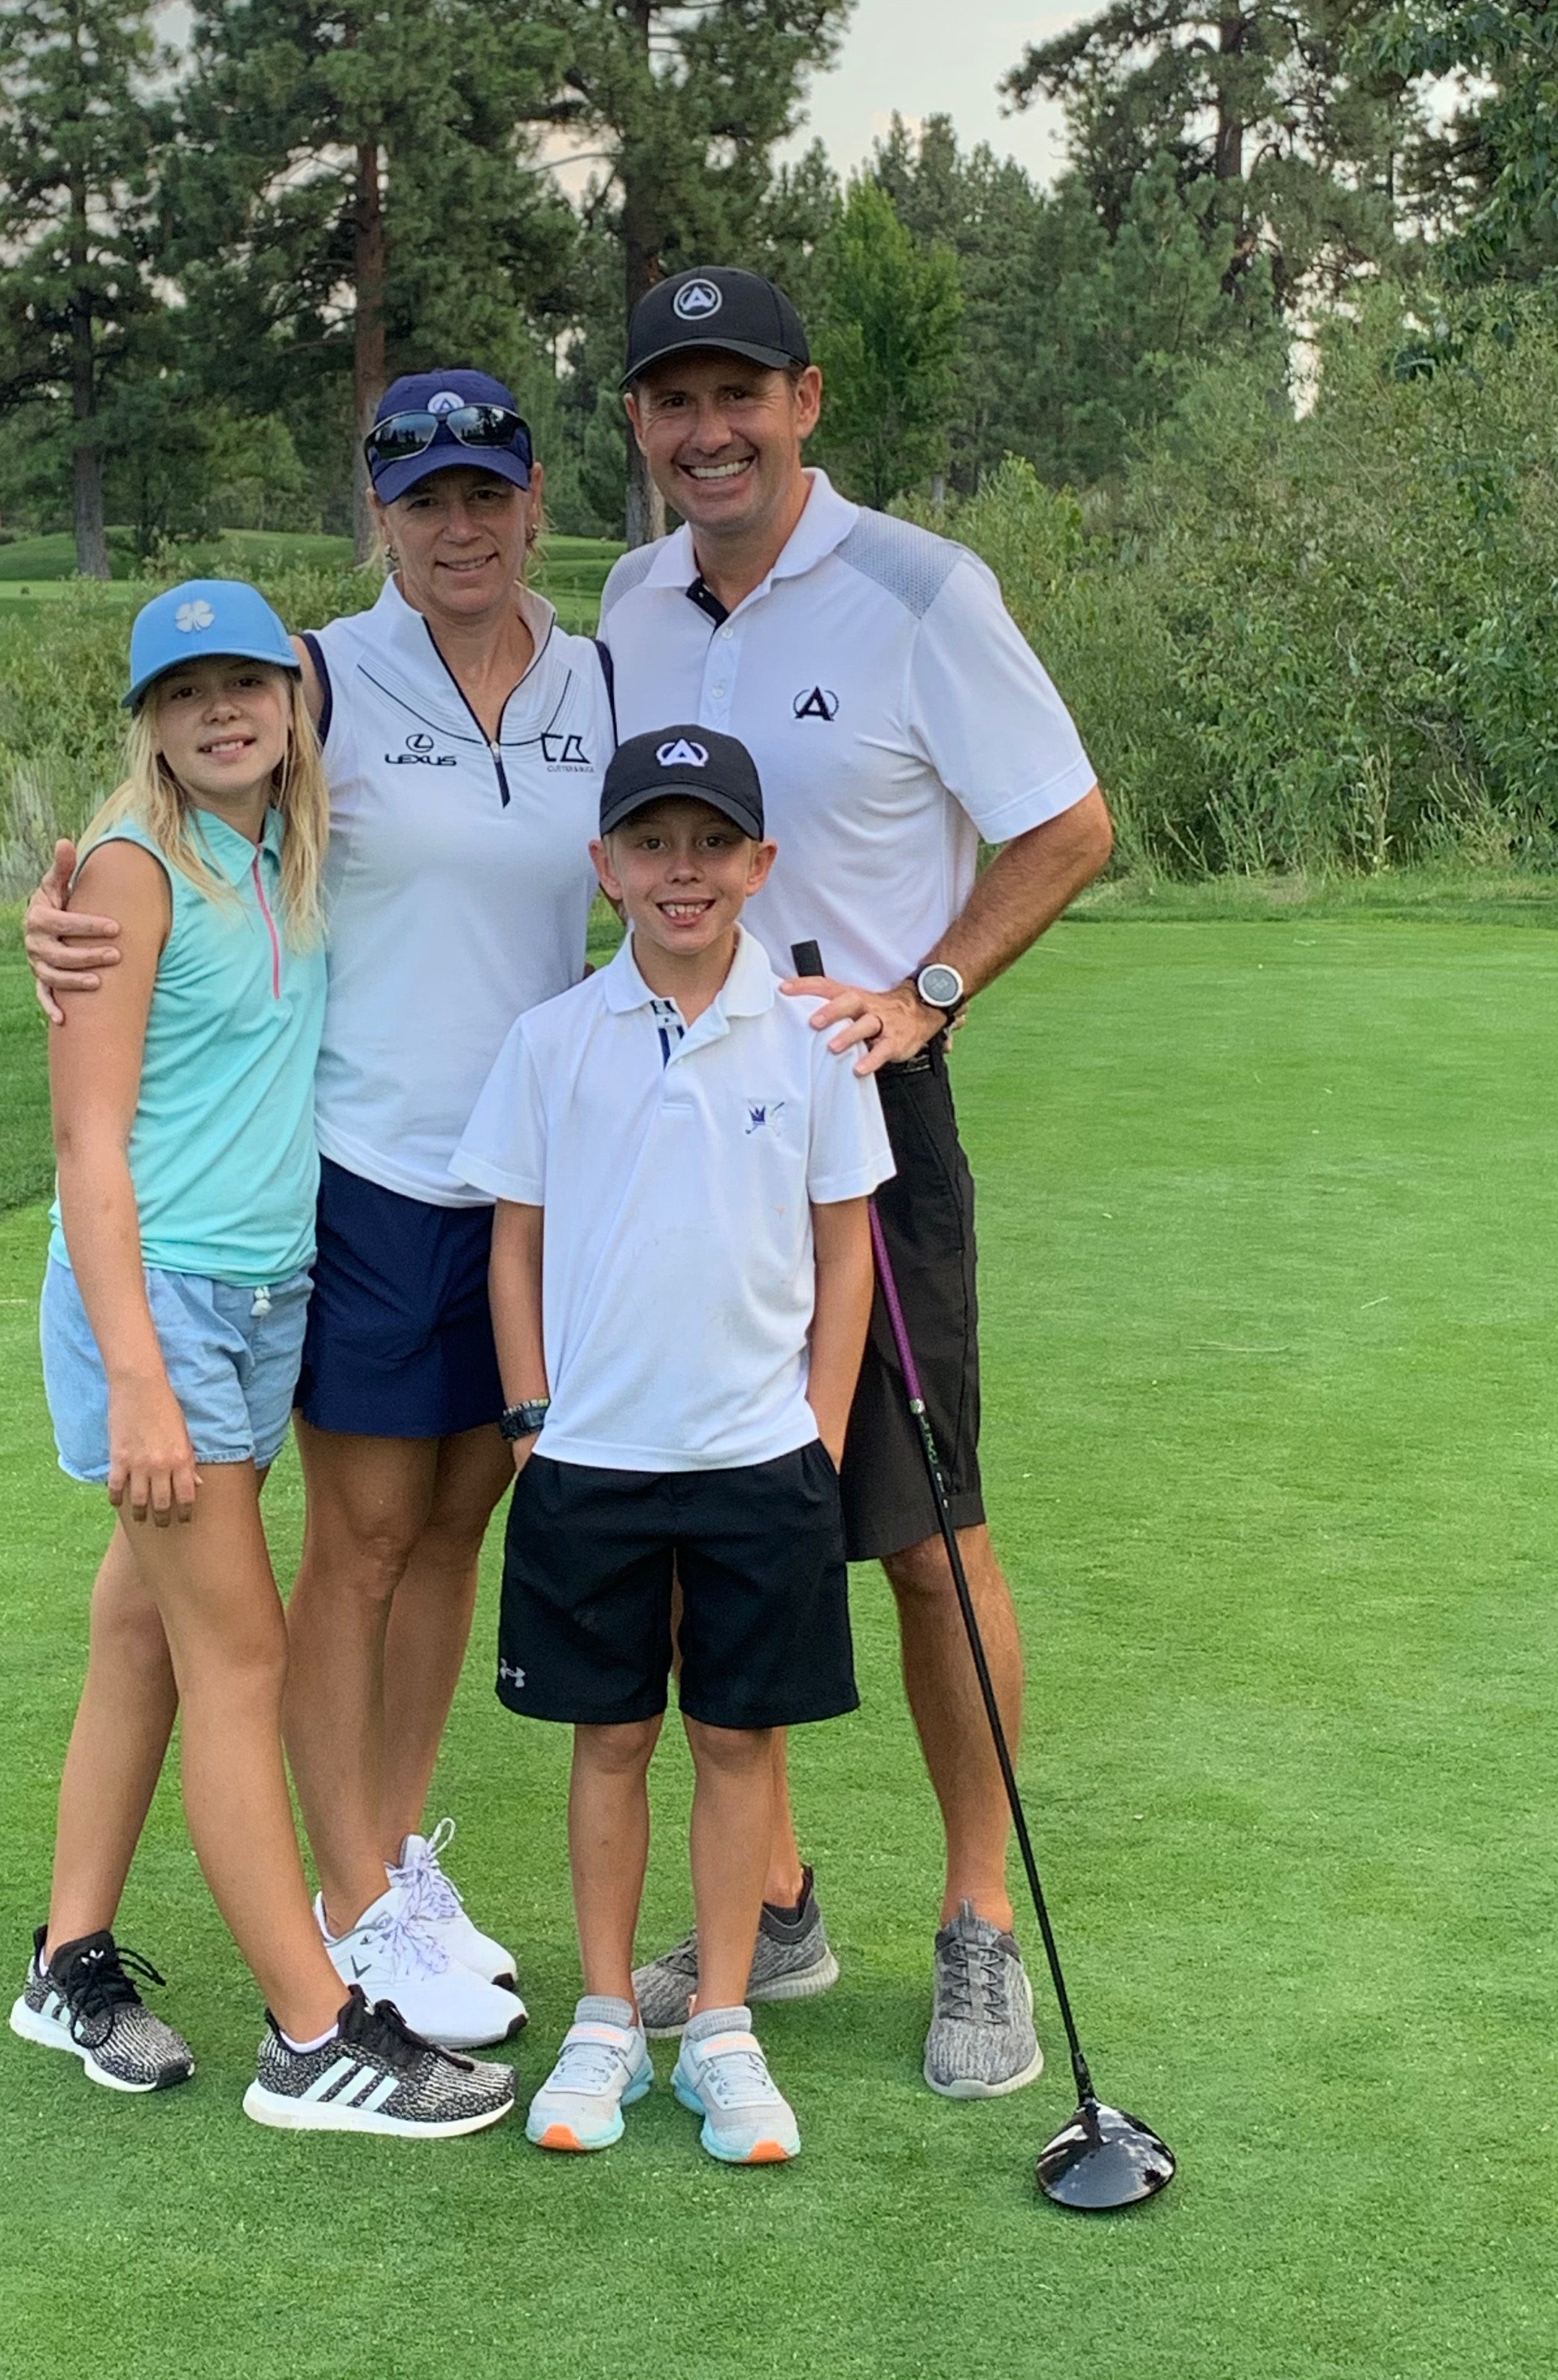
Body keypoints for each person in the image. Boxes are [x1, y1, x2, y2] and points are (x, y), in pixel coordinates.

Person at [22, 375, 612, 2048]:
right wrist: (60, 922)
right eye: (425, 502)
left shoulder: (600, 678)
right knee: (350, 1548)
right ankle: (346, 1914)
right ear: (383, 520)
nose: (460, 527)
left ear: (532, 499)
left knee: (447, 1531)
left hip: (525, 1183)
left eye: (486, 493)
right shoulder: (326, 674)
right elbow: (162, 814)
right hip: (358, 1181)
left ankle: (374, 1873)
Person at [598, 267, 1115, 2099]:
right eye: (674, 401)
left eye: (739, 394)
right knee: (715, 1521)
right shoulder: (629, 600)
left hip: (861, 1121)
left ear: (805, 399)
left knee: (923, 1537)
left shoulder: (921, 590)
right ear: (640, 424)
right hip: (677, 1127)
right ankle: (780, 1902)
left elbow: (1069, 826)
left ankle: (979, 1921)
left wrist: (931, 993)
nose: (708, 433)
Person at [454, 728, 888, 2163]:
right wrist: (531, 1420)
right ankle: (602, 2016)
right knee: (613, 1735)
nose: (680, 871)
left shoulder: (816, 1040)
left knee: (738, 1737)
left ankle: (720, 2025)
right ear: (606, 866)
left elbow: (847, 1253)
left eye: (710, 843)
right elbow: (513, 1247)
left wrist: (821, 1439)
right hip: (592, 1456)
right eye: (651, 843)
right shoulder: (551, 1040)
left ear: (761, 864)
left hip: (761, 1457)